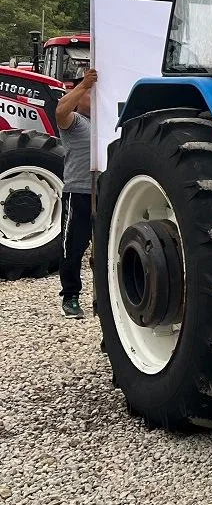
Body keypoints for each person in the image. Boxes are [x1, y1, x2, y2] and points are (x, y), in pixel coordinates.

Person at [54, 66, 97, 318]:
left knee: (105, 249)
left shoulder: (106, 125)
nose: (92, 97)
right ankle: (70, 297)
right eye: (90, 94)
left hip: (103, 195)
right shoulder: (74, 122)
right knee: (72, 249)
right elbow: (60, 110)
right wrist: (83, 84)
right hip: (77, 193)